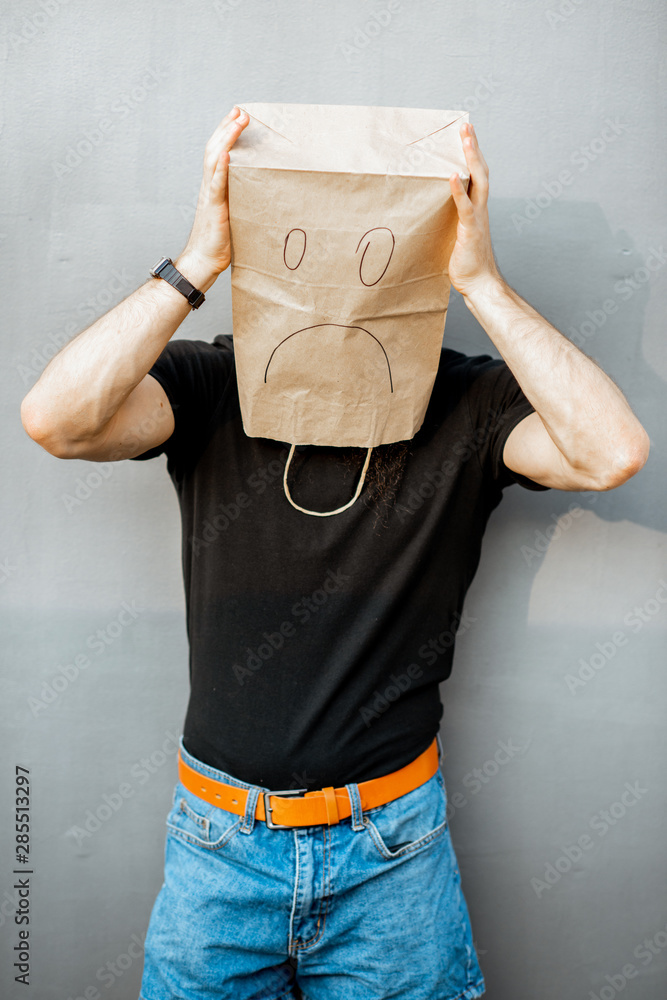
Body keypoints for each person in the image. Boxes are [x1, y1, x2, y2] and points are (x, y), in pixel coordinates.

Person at [20, 106, 650, 1000]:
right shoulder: (208, 386)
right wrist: (198, 260)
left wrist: (483, 282)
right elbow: (57, 420)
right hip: (218, 847)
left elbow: (610, 451)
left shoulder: (468, 407)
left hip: (391, 852)